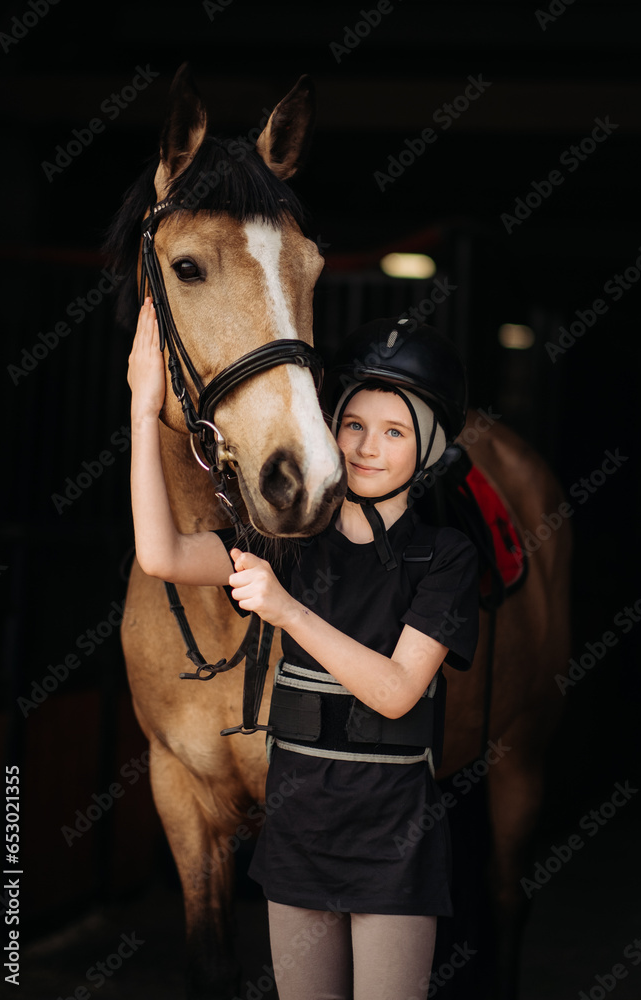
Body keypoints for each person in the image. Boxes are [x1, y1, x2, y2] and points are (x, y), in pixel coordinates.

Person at [128, 299, 479, 1000]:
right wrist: (143, 411)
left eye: (392, 432)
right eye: (351, 424)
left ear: (430, 448)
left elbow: (393, 692)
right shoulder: (282, 544)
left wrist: (285, 610)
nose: (364, 447)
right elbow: (160, 554)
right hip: (296, 841)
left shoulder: (446, 557)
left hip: (391, 843)